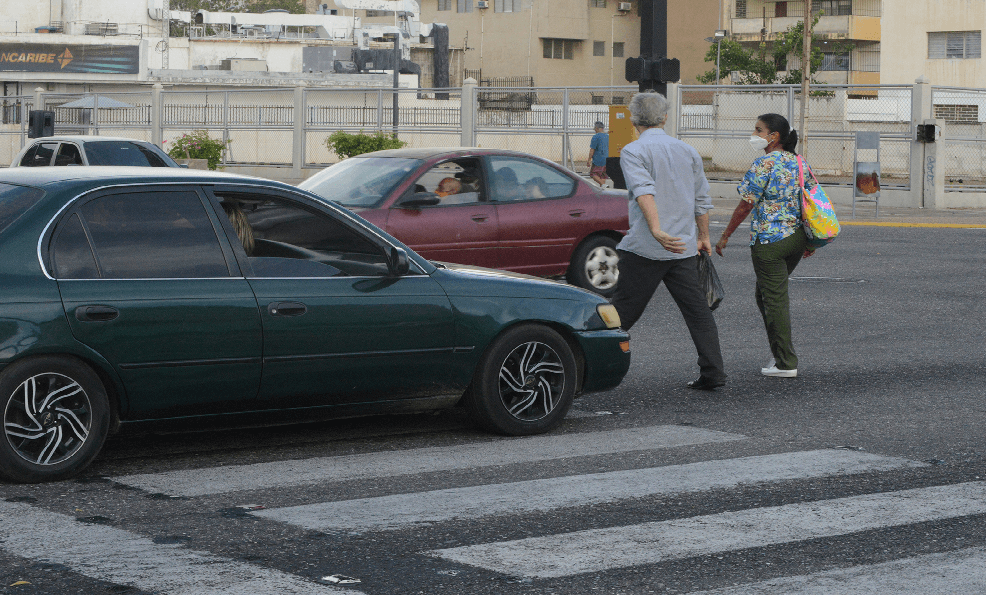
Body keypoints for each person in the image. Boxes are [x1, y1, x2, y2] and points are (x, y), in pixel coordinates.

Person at [610, 92, 727, 391]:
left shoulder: (634, 151)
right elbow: (702, 200)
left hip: (647, 247)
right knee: (698, 312)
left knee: (620, 315)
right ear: (665, 117)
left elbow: (643, 191)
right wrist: (703, 237)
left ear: (634, 119)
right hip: (684, 247)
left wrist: (656, 230)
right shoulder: (687, 151)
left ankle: (592, 369)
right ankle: (713, 372)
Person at [714, 113, 815, 379]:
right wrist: (811, 238)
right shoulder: (799, 162)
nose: (754, 134)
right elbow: (810, 199)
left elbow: (746, 204)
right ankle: (779, 351)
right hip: (795, 238)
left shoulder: (763, 164)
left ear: (774, 137)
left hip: (769, 242)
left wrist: (725, 235)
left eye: (758, 130)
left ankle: (785, 362)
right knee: (766, 296)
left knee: (774, 301)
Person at [587, 121, 609, 186]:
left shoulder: (595, 137)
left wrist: (589, 160)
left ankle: (603, 184)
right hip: (606, 159)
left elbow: (592, 150)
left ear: (597, 128)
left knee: (593, 174)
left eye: (595, 129)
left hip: (598, 160)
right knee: (603, 175)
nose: (595, 130)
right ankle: (603, 187)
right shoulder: (608, 136)